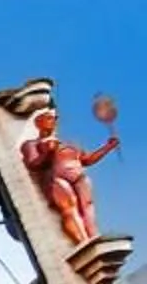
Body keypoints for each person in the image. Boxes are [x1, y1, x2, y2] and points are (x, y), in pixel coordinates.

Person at [21, 106, 121, 247]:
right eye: (49, 118)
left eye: (55, 118)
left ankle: (94, 237)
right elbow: (33, 164)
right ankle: (84, 243)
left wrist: (107, 147)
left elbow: (87, 160)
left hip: (79, 176)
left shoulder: (69, 143)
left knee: (87, 205)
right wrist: (47, 153)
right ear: (39, 122)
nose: (53, 121)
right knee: (70, 209)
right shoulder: (32, 144)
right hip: (57, 180)